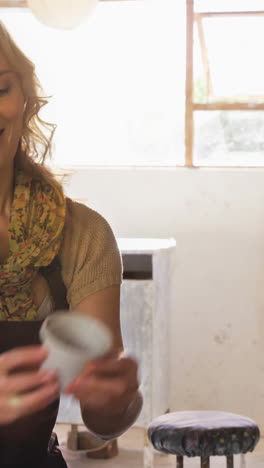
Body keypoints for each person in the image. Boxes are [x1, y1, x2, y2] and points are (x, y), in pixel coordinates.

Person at [0, 21, 142, 467]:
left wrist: (115, 398)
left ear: (24, 99)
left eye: (0, 88)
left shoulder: (81, 235)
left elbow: (104, 421)